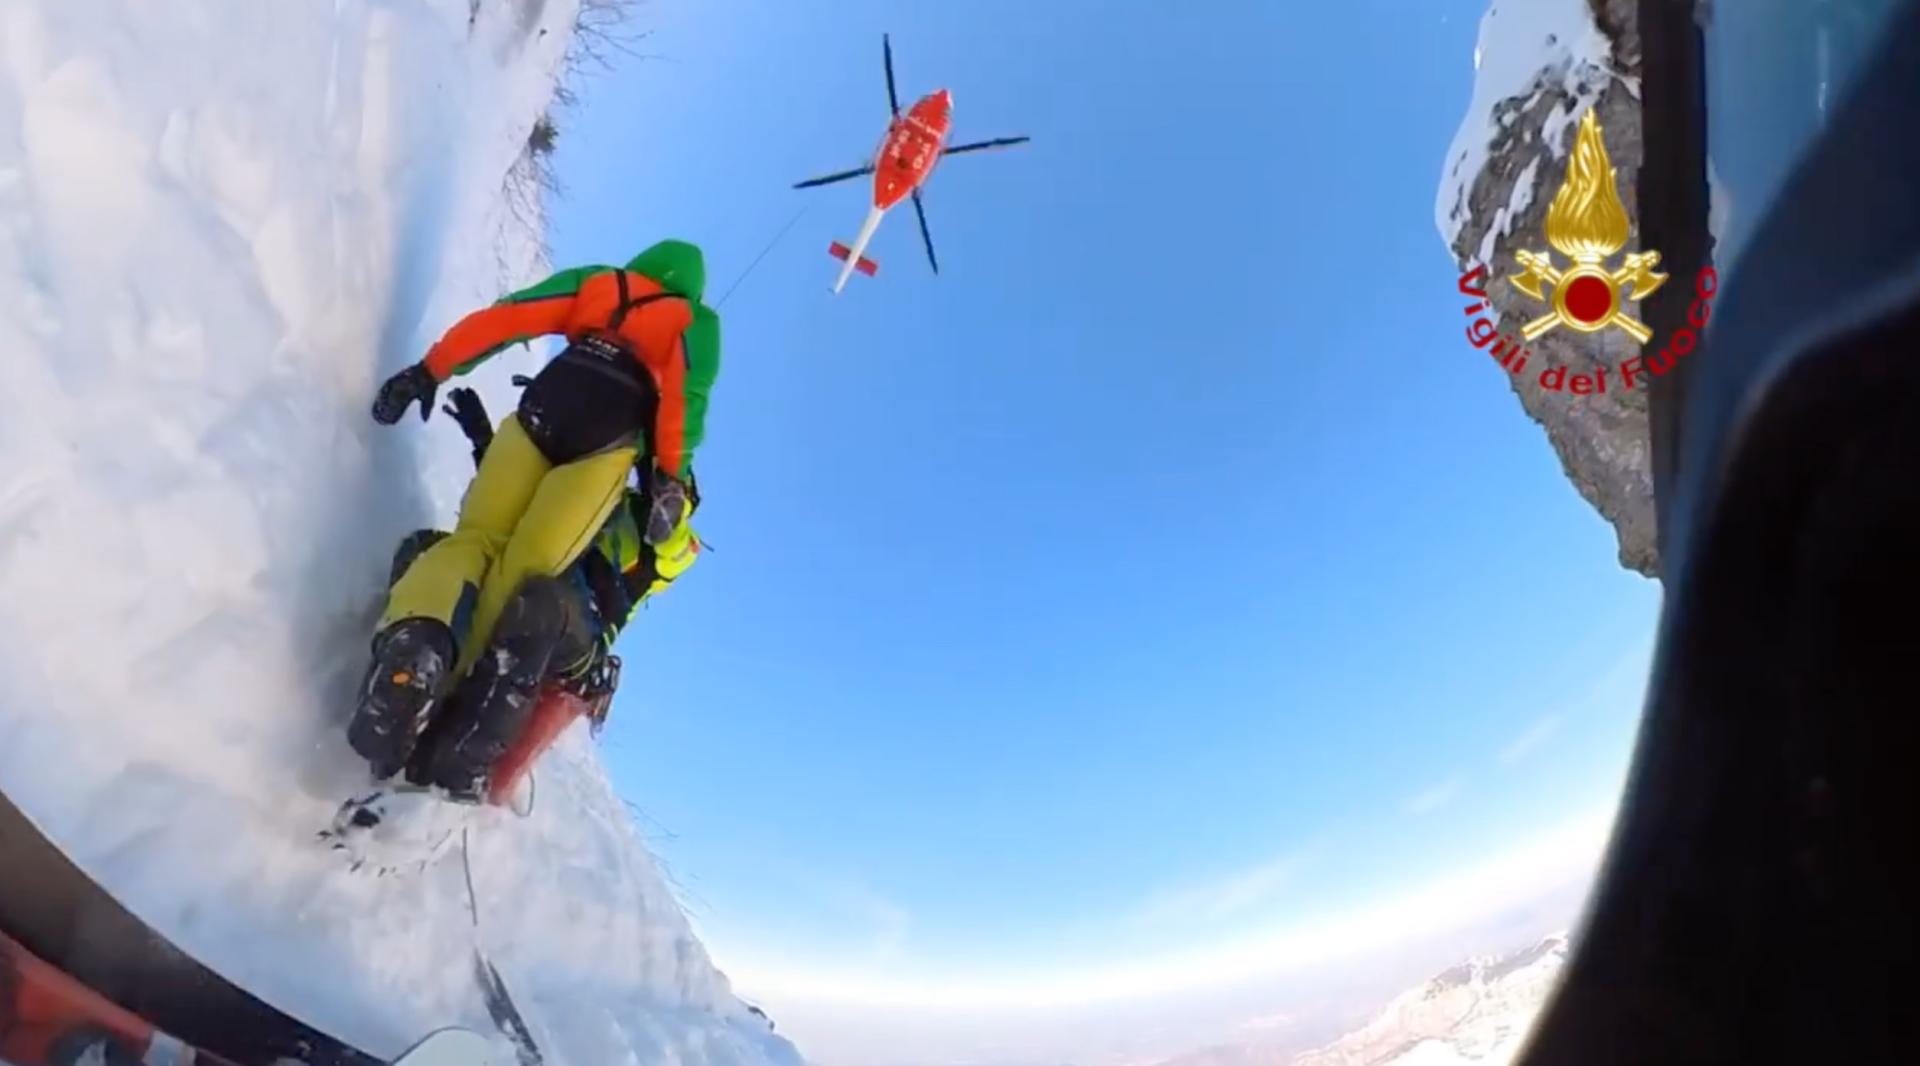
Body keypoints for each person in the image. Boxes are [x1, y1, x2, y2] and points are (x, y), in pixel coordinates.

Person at [348, 239, 719, 785]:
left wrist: (431, 370)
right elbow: (685, 399)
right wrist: (666, 475)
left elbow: (509, 318)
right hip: (606, 437)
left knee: (474, 544)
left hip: (545, 407)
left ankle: (418, 651)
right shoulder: (693, 322)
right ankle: (444, 703)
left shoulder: (600, 282)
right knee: (525, 571)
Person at [389, 386, 703, 800]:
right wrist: (485, 439)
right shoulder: (605, 494)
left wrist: (673, 507)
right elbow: (532, 500)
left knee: (539, 602)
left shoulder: (670, 548)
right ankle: (395, 665)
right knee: (430, 549)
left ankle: (463, 768)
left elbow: (675, 546)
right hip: (524, 578)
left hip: (578, 637)